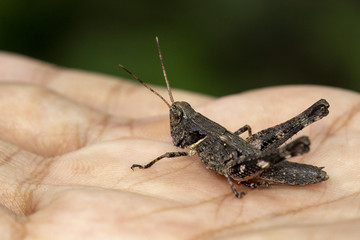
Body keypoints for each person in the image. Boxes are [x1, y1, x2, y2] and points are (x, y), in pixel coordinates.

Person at [0, 52, 358, 239]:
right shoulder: (196, 138)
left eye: (178, 118)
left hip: (248, 164)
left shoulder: (196, 143)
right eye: (177, 116)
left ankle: (291, 149)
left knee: (244, 155)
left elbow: (195, 155)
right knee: (247, 141)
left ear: (188, 124)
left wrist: (233, 179)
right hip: (243, 150)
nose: (176, 125)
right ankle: (278, 154)